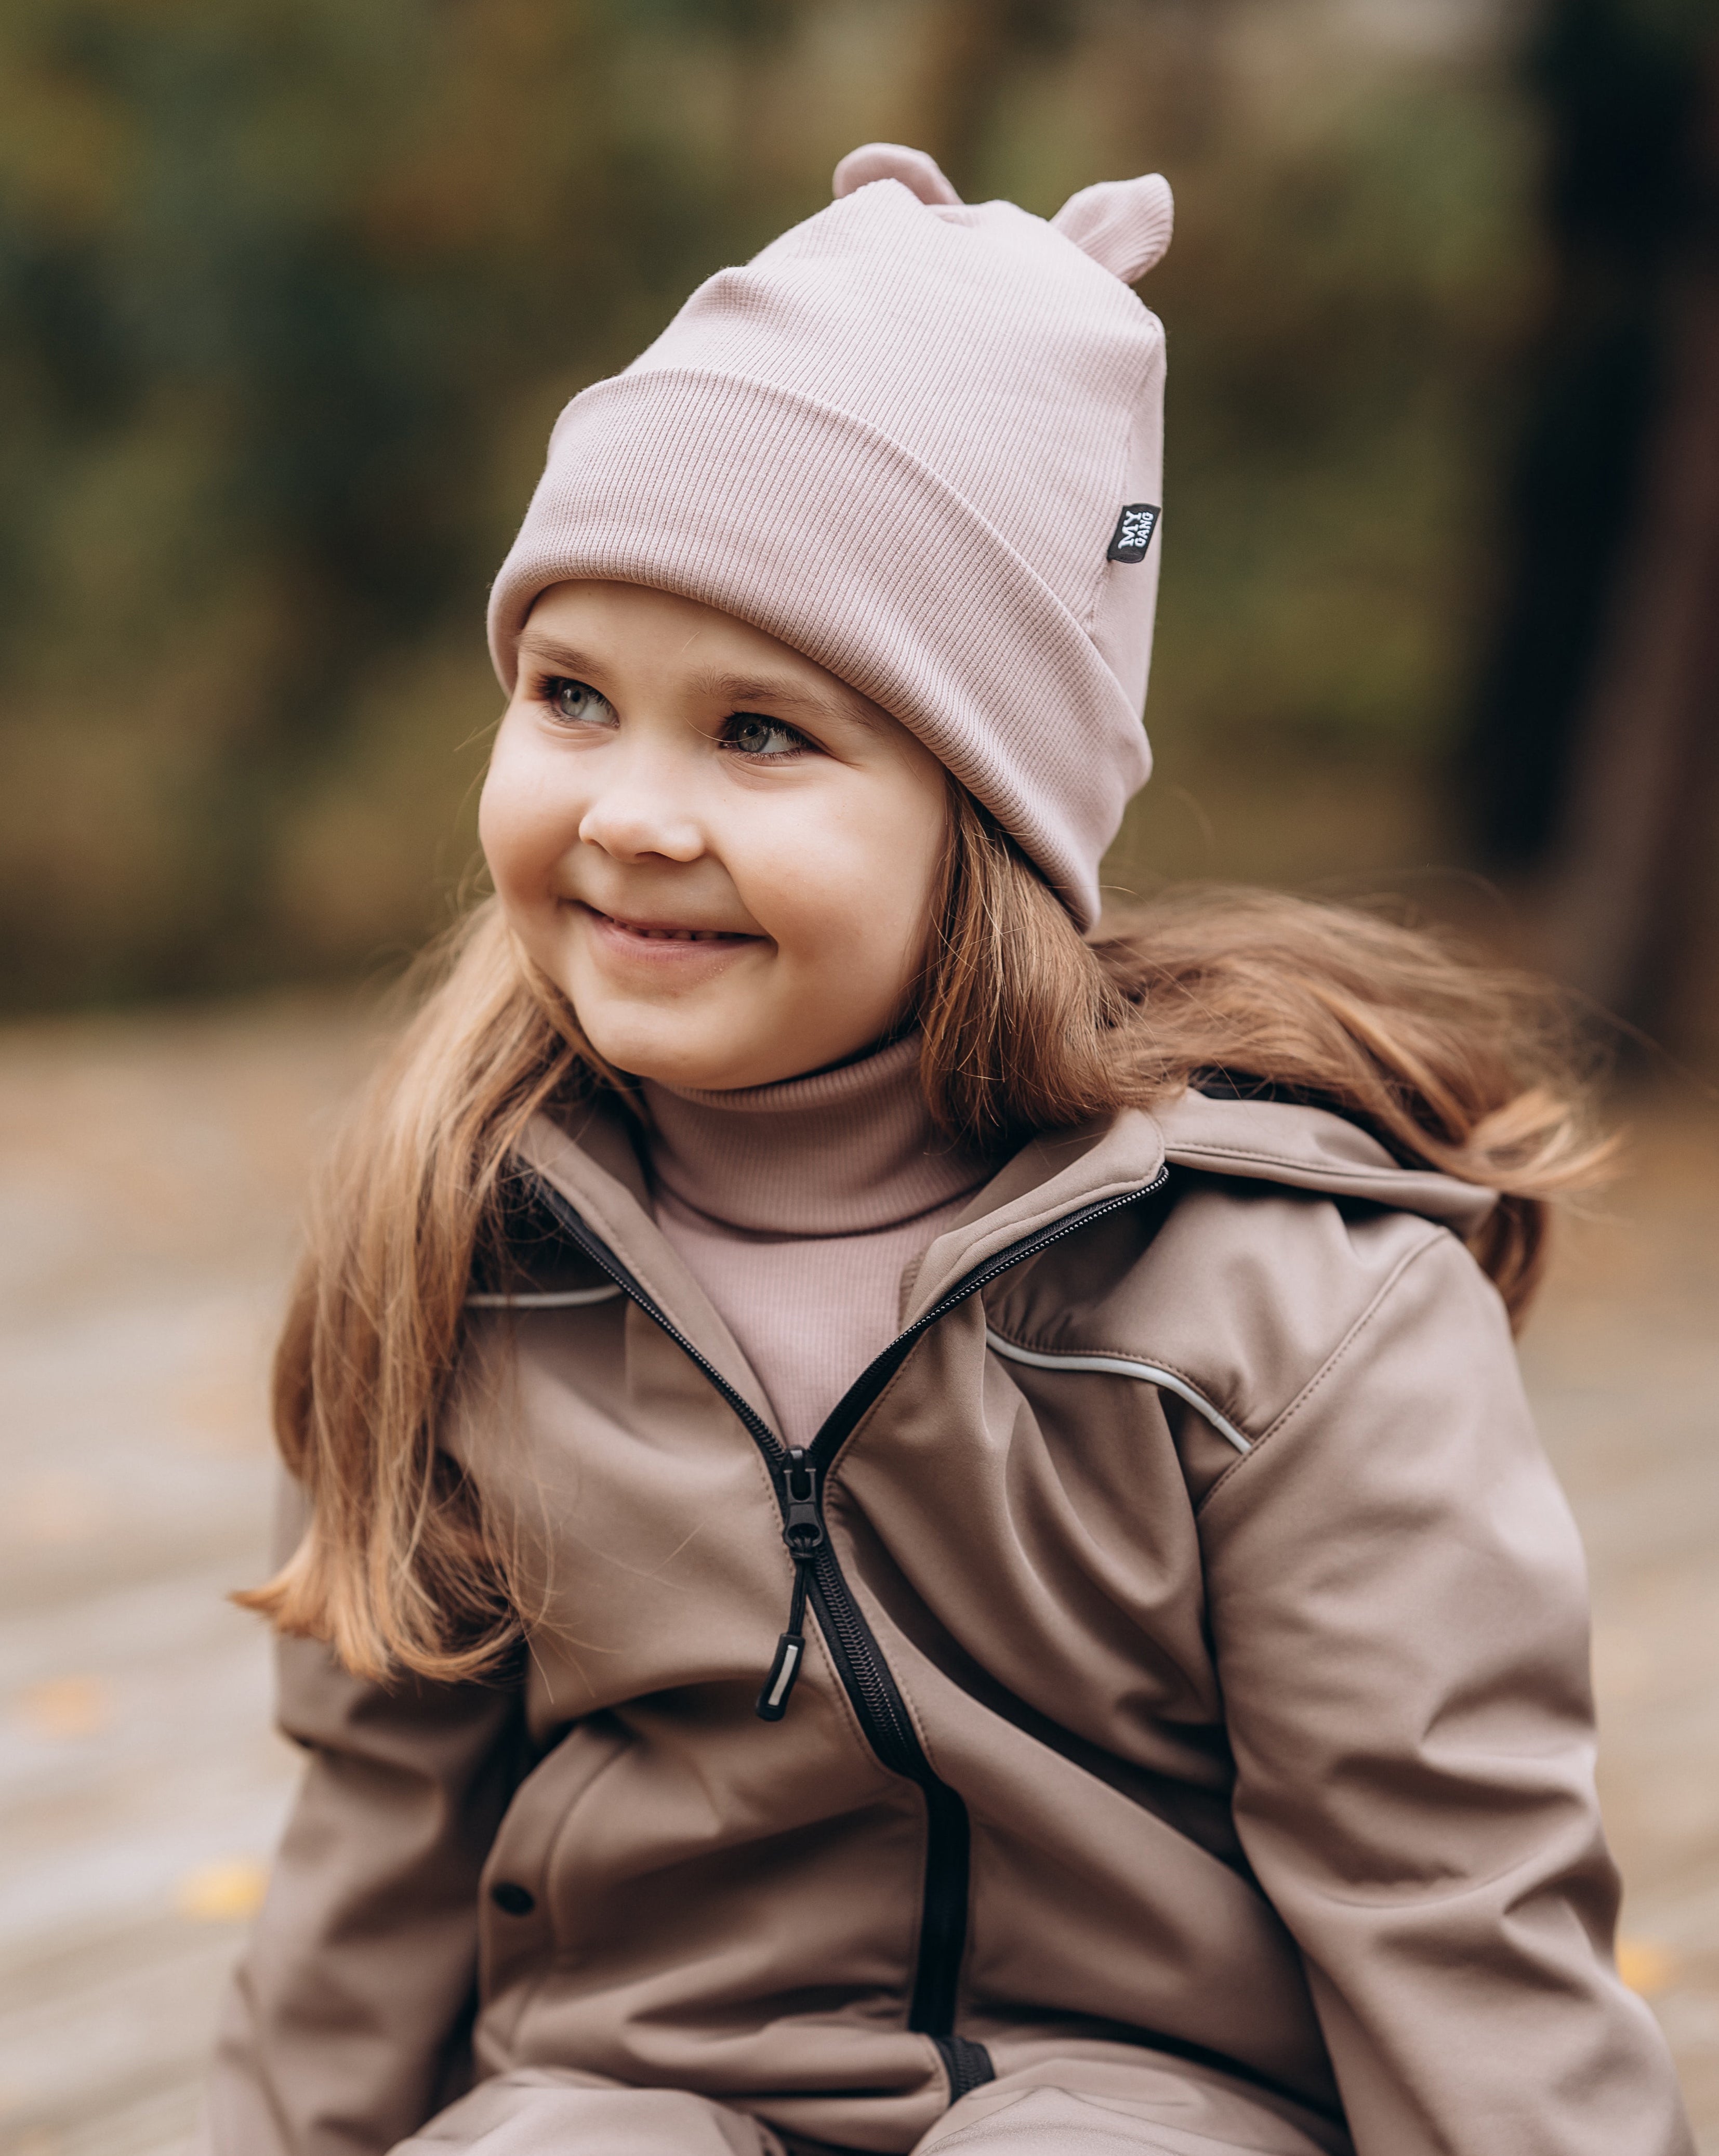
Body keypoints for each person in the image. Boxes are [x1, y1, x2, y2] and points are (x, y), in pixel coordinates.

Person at [202, 143, 1694, 2156]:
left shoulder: (1281, 1302)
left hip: (1150, 2099)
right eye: (571, 695)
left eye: (760, 733)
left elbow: (1454, 1913)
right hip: (633, 2085)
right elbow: (364, 1892)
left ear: (983, 817)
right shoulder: (472, 1247)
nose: (632, 809)